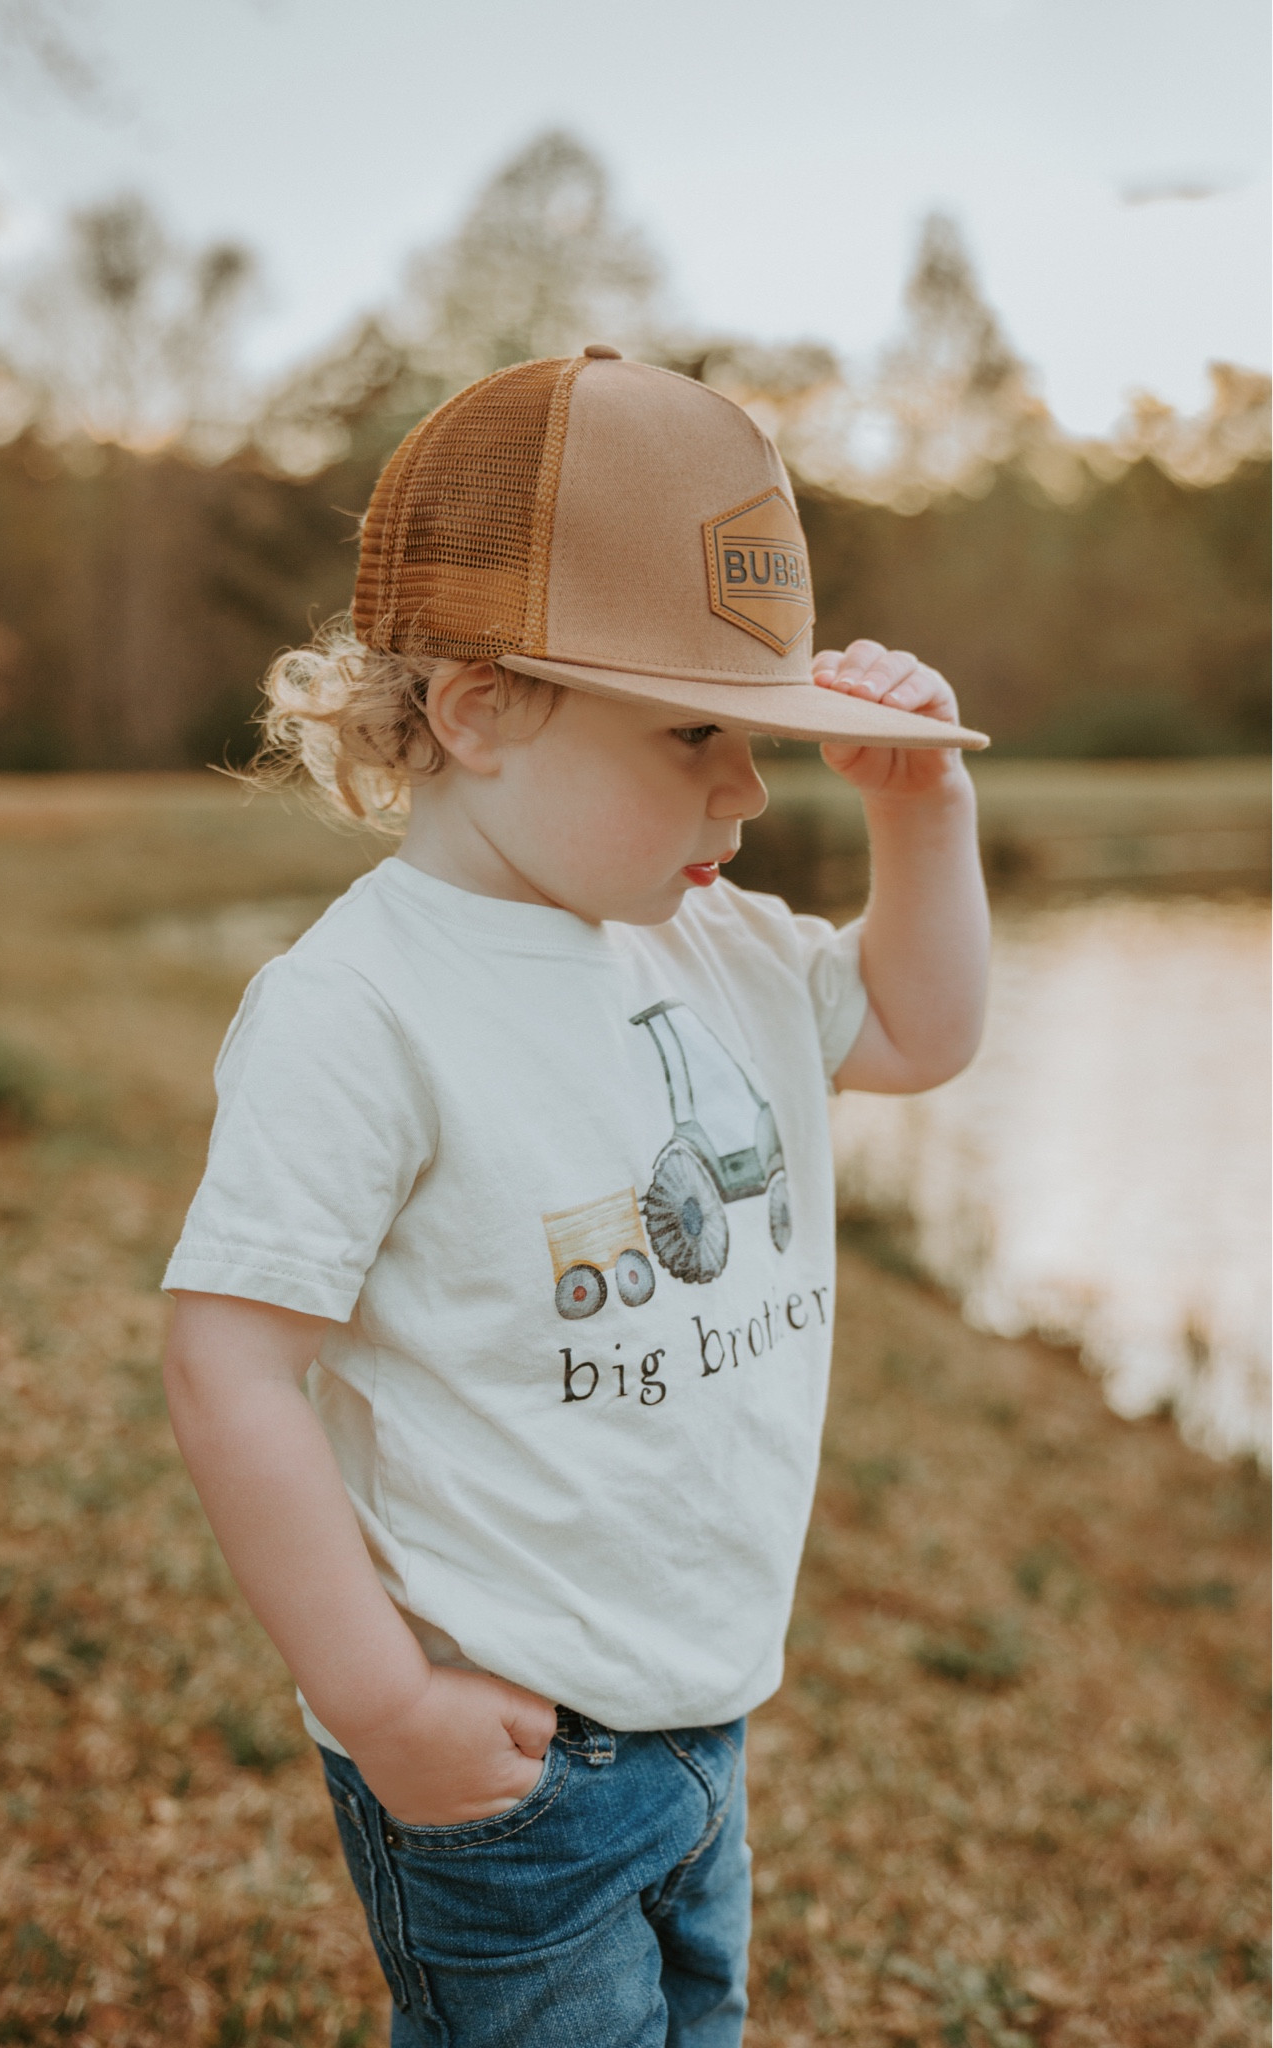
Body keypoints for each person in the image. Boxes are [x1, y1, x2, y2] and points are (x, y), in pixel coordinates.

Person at [161, 347, 991, 2047]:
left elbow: (918, 1030)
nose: (747, 792)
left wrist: (925, 814)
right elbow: (229, 1365)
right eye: (695, 732)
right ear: (478, 708)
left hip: (701, 1706)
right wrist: (379, 1697)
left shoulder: (723, 946)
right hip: (506, 1748)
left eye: (760, 738)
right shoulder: (359, 1010)